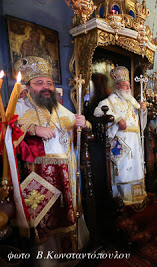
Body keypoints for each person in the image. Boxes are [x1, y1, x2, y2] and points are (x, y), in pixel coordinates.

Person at [12, 56, 90, 259]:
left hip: (66, 171)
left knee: (67, 210)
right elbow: (7, 132)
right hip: (39, 175)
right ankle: (48, 261)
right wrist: (32, 128)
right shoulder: (19, 105)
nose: (46, 87)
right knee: (46, 216)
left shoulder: (56, 106)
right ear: (27, 87)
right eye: (39, 83)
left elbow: (77, 123)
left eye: (49, 82)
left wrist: (83, 122)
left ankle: (71, 253)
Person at [93, 66, 148, 206]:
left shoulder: (132, 100)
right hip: (122, 142)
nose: (128, 88)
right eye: (125, 85)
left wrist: (143, 110)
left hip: (135, 142)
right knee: (124, 171)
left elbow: (141, 121)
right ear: (117, 86)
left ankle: (138, 197)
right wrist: (117, 118)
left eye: (129, 85)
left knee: (136, 169)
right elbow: (97, 112)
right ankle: (123, 199)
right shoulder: (110, 100)